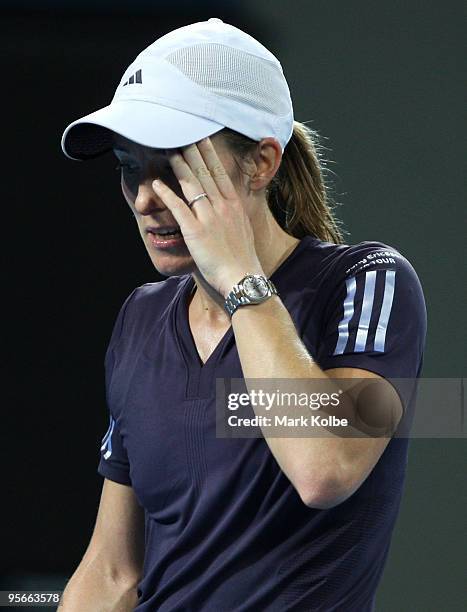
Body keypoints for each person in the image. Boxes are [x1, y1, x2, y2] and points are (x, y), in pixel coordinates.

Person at [59, 17, 427, 612]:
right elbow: (111, 573)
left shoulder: (368, 280)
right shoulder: (142, 318)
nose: (147, 198)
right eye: (130, 166)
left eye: (177, 167)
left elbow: (323, 468)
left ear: (261, 163)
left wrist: (240, 280)